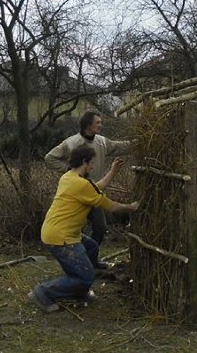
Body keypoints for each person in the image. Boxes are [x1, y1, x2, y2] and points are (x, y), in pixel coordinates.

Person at [29, 145, 139, 312]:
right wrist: (132, 207)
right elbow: (111, 206)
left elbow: (95, 188)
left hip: (56, 231)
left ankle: (79, 289)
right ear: (84, 162)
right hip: (61, 237)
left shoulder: (69, 177)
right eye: (91, 163)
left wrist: (113, 172)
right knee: (86, 277)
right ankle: (43, 292)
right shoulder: (80, 184)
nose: (93, 166)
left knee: (91, 246)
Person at [44, 110, 130, 256]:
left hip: (93, 192)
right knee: (76, 228)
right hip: (76, 193)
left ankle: (91, 259)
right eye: (98, 122)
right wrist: (68, 170)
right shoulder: (71, 143)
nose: (101, 125)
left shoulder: (102, 142)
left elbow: (118, 146)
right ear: (88, 125)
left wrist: (138, 143)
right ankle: (77, 257)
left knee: (100, 227)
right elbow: (50, 158)